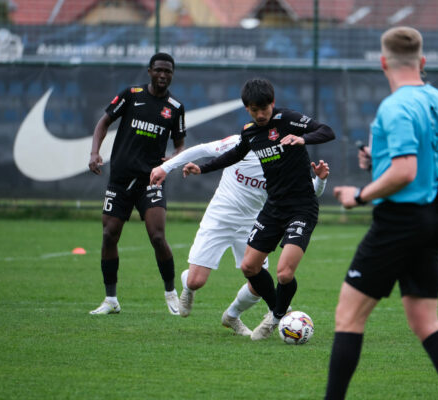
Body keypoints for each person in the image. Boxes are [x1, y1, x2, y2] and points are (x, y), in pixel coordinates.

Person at [325, 27, 438, 399]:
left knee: (348, 316)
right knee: (425, 321)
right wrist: (379, 159)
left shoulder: (395, 105)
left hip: (400, 221)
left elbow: (405, 172)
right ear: (422, 62)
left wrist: (359, 195)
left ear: (383, 62)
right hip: (435, 216)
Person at [183, 78, 335, 340]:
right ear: (247, 109)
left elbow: (327, 131)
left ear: (272, 104)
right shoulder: (251, 132)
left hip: (301, 207)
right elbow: (234, 155)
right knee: (249, 267)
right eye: (255, 110)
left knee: (284, 273)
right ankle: (258, 313)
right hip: (273, 206)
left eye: (264, 108)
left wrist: (303, 139)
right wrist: (202, 167)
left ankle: (276, 315)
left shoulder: (289, 119)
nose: (261, 114)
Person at [151, 134, 329, 335]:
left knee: (257, 285)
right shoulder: (241, 143)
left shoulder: (285, 155)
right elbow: (201, 149)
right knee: (196, 281)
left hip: (253, 223)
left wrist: (320, 180)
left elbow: (309, 191)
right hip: (219, 219)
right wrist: (165, 167)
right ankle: (188, 286)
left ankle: (232, 316)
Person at [88, 53, 185, 316]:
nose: (163, 75)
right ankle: (111, 300)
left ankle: (171, 293)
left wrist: (174, 159)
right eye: (159, 70)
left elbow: (179, 144)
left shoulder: (175, 107)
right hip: (120, 179)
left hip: (151, 179)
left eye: (168, 71)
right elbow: (104, 121)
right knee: (109, 235)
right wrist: (95, 152)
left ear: (172, 75)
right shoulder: (131, 95)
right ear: (150, 71)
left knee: (157, 236)